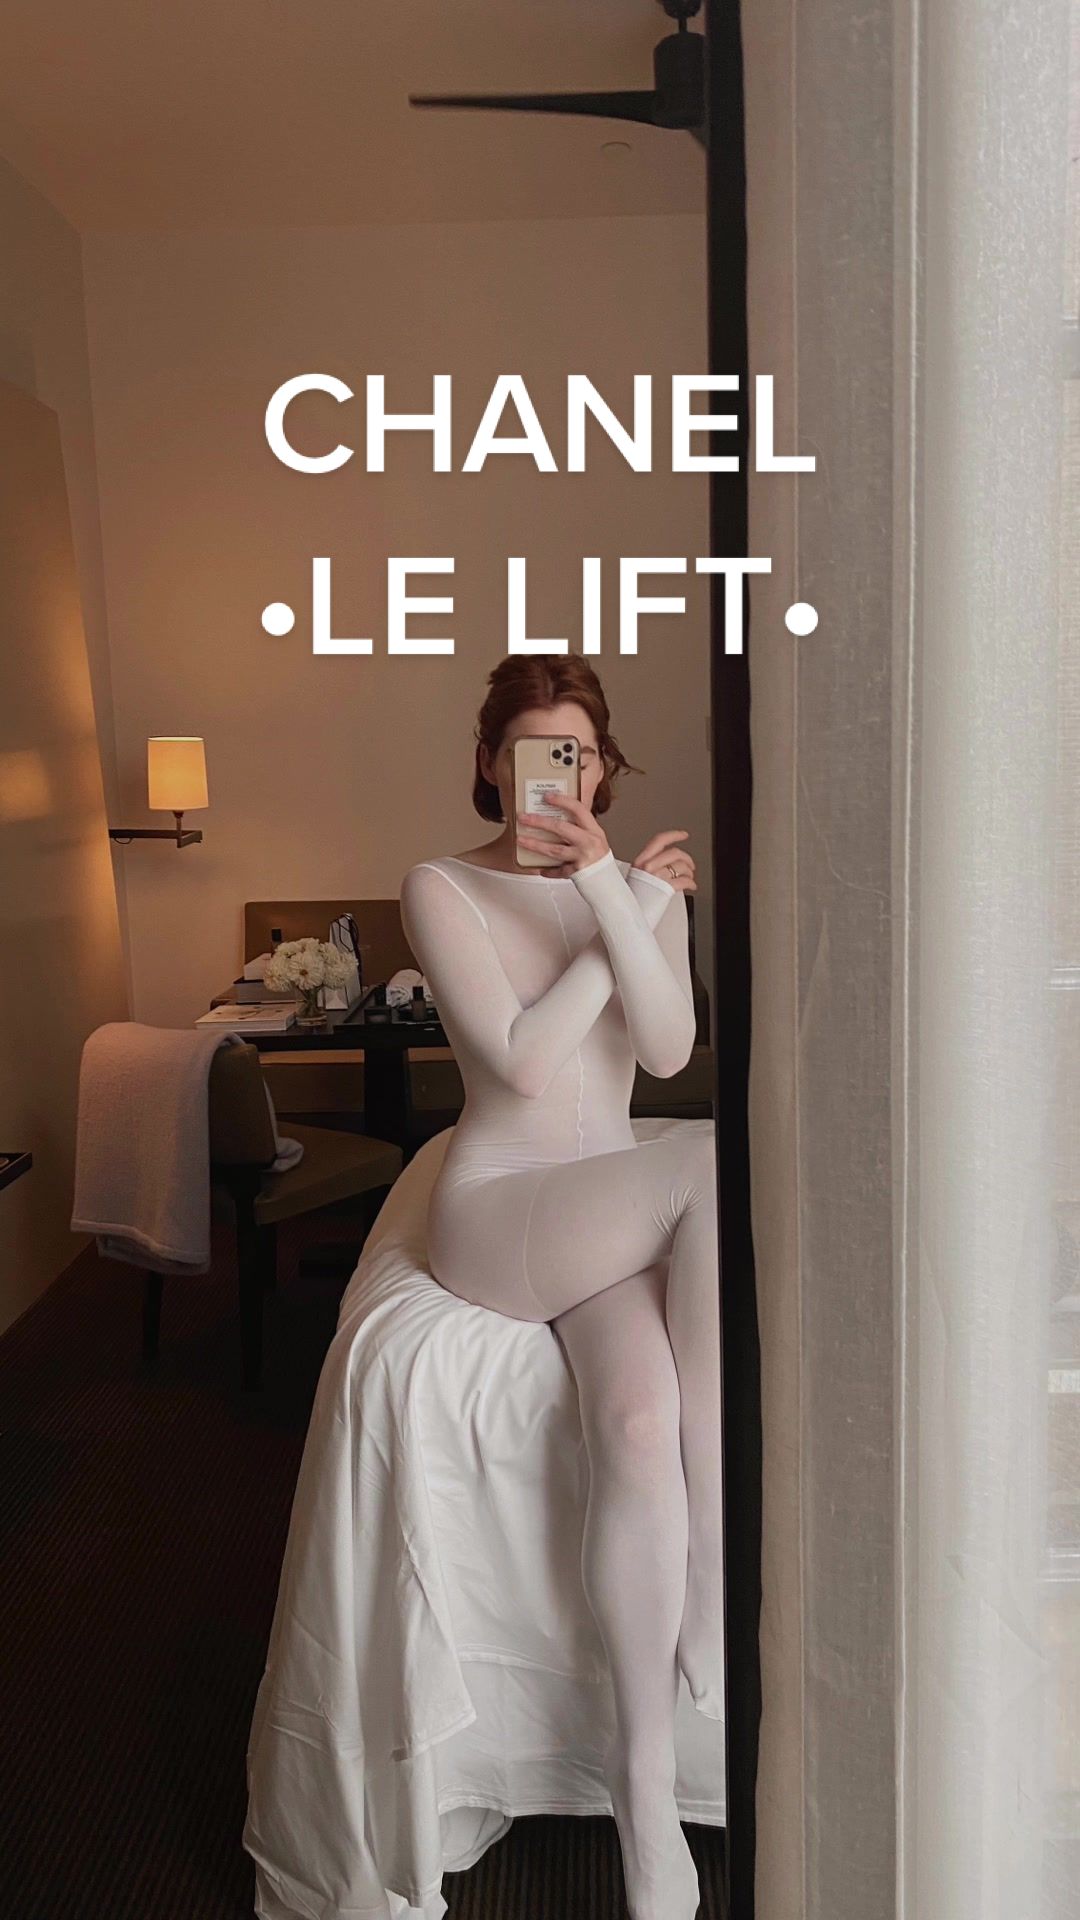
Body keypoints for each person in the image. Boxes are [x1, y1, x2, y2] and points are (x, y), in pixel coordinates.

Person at [399, 654, 722, 1920]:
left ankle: (645, 1795)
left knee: (638, 1423)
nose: (558, 776)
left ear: (604, 767)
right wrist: (615, 905)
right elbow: (526, 1067)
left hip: (598, 1214)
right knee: (709, 1161)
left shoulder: (634, 889)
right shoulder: (443, 887)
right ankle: (717, 1566)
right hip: (500, 1212)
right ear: (492, 763)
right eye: (535, 751)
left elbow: (670, 1050)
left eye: (578, 754)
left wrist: (619, 898)